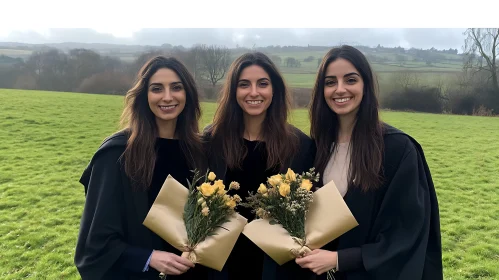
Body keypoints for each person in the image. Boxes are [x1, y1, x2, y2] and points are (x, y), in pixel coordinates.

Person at [294, 45, 443, 280]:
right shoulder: (317, 148)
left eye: (350, 80)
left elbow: (406, 232)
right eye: (330, 82)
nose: (339, 89)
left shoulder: (397, 150)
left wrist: (339, 259)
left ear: (366, 86)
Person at [74, 56, 218, 280]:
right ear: (144, 96)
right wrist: (148, 258)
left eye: (176, 88)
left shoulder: (199, 151)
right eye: (157, 89)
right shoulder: (117, 154)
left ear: (187, 95)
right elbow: (96, 243)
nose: (167, 97)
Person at [202, 52, 316, 280]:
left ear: (275, 90)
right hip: (221, 267)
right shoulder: (211, 140)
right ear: (233, 91)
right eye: (244, 84)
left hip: (276, 269)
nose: (253, 92)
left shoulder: (300, 145)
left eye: (262, 84)